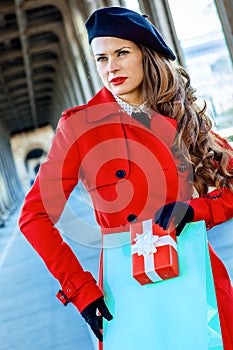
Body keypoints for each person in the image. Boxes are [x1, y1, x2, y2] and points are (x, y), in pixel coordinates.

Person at [19, 6, 233, 349]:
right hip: (126, 291)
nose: (111, 67)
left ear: (147, 56)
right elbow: (34, 216)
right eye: (101, 58)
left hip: (197, 274)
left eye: (121, 53)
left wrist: (195, 211)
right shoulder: (78, 128)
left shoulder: (181, 114)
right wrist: (81, 290)